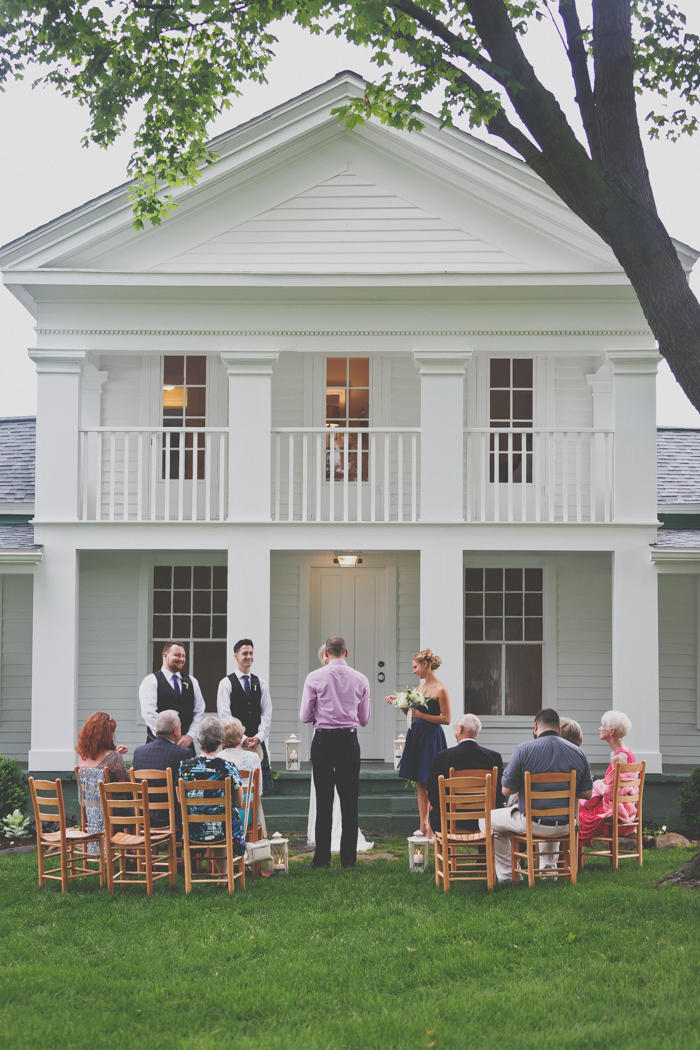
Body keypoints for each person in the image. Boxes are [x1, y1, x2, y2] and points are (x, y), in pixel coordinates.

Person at [485, 708, 593, 883]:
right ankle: (548, 874)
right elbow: (587, 793)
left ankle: (509, 876)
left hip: (533, 822)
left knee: (487, 820)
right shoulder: (578, 752)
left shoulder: (523, 750)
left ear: (536, 726)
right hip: (567, 824)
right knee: (550, 817)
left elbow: (506, 791)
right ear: (559, 729)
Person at [299, 635, 371, 869]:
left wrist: (318, 715)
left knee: (324, 800)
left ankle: (322, 859)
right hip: (348, 742)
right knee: (350, 801)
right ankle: (348, 860)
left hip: (323, 742)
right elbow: (364, 719)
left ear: (326, 654)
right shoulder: (360, 679)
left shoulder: (314, 677)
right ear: (346, 653)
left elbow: (304, 716)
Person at [387, 648, 451, 840]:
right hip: (417, 735)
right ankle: (422, 824)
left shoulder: (441, 689)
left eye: (415, 667)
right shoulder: (420, 688)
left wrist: (422, 715)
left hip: (432, 737)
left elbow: (447, 719)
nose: (414, 671)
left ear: (425, 664)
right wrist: (401, 705)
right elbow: (412, 715)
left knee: (431, 781)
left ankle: (432, 826)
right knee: (420, 782)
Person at [179, 716, 246, 881]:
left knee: (216, 821)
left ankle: (222, 876)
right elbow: (239, 802)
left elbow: (181, 800)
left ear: (198, 738)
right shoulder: (227, 767)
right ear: (221, 740)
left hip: (193, 828)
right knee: (223, 820)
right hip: (222, 829)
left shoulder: (185, 767)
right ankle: (225, 876)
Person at [426, 713, 504, 834]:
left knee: (436, 812)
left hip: (451, 819)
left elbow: (432, 792)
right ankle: (484, 852)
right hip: (484, 819)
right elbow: (500, 794)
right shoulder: (494, 758)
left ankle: (447, 852)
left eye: (455, 728)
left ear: (460, 729)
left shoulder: (443, 757)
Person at [217, 638, 273, 792]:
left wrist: (258, 737)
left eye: (251, 653)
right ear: (236, 656)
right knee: (232, 787)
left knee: (257, 789)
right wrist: (243, 739)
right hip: (233, 743)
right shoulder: (226, 683)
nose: (249, 656)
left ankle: (255, 816)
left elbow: (267, 713)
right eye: (245, 653)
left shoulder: (260, 683)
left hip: (257, 744)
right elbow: (225, 716)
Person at [578, 710, 637, 848]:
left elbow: (611, 792)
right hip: (623, 806)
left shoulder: (619, 758)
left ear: (611, 732)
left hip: (615, 810)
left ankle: (572, 850)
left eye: (602, 725)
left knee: (580, 811)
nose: (600, 728)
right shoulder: (627, 753)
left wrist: (595, 782)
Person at [139, 641, 204, 757]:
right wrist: (168, 739)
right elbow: (149, 714)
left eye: (183, 656)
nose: (182, 659)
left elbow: (199, 712)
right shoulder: (151, 681)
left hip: (186, 746)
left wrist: (189, 736)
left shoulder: (192, 682)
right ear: (165, 656)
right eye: (177, 655)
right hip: (157, 746)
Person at [76, 711, 130, 849]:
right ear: (106, 735)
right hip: (111, 810)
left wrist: (115, 754)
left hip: (91, 810)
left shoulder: (82, 757)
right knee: (133, 806)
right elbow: (126, 785)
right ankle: (131, 850)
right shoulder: (113, 758)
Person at [132, 709, 185, 827]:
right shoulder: (184, 754)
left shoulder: (138, 752)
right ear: (175, 731)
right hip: (172, 818)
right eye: (180, 727)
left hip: (143, 816)